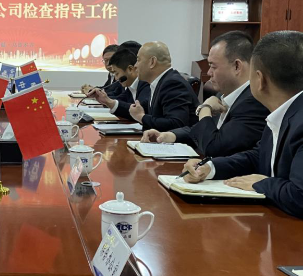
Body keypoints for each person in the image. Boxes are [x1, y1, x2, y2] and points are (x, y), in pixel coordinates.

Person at [182, 31, 303, 219]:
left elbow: (299, 197)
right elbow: (258, 156)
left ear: (260, 79)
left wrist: (261, 184)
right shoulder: (282, 111)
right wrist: (209, 167)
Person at [142, 31, 269, 156]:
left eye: (213, 66)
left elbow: (214, 147)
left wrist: (205, 108)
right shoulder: (224, 93)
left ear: (237, 66)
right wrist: (170, 135)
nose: (208, 73)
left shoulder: (254, 103)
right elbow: (202, 129)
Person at [129, 41, 199, 131]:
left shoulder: (172, 84)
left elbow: (176, 124)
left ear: (152, 62)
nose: (135, 66)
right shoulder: (160, 82)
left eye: (138, 60)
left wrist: (141, 117)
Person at [87, 48, 150, 119]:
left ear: (130, 69)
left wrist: (109, 102)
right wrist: (102, 98)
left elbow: (139, 109)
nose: (116, 79)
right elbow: (119, 99)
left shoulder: (146, 84)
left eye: (117, 73)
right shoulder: (130, 88)